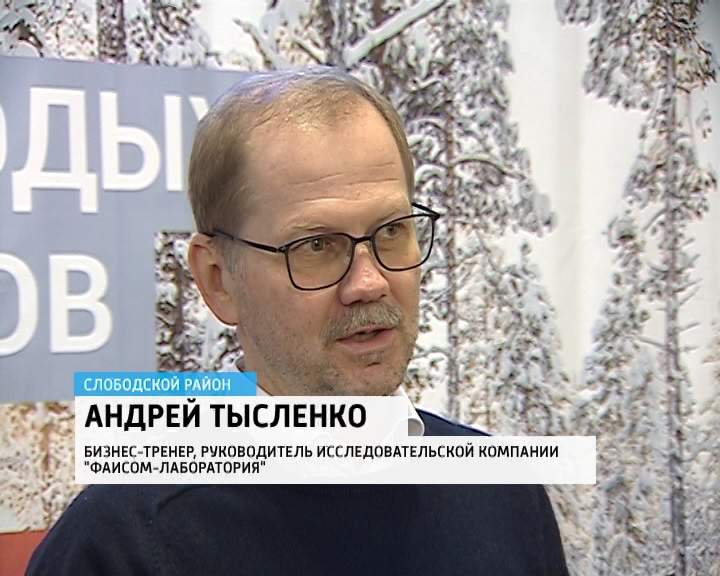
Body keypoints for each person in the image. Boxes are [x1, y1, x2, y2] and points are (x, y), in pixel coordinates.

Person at [27, 68, 569, 575]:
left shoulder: (503, 494)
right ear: (218, 279)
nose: (369, 282)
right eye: (316, 245)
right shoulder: (120, 544)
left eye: (391, 231)